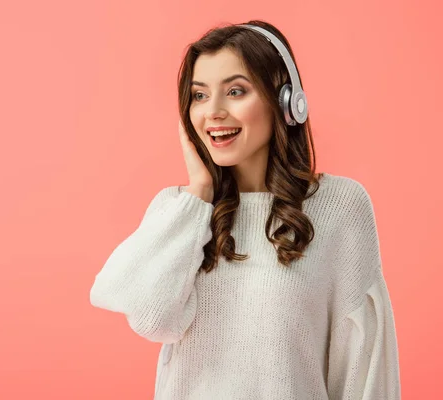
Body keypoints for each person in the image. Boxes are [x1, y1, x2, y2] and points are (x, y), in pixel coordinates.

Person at [89, 20, 401, 399]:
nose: (213, 112)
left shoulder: (340, 207)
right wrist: (200, 191)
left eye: (235, 91)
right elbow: (152, 319)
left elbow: (363, 366)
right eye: (200, 96)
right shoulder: (179, 211)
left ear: (286, 101)